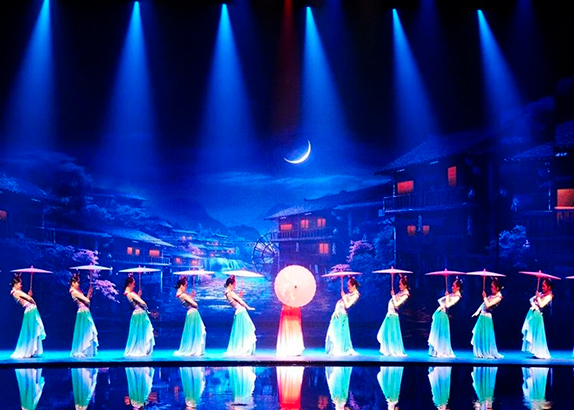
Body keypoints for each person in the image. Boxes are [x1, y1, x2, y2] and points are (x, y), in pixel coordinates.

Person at [10, 273, 46, 358]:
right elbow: (29, 299)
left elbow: (25, 299)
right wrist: (34, 302)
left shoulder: (14, 293)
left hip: (28, 310)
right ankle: (30, 350)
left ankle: (31, 350)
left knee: (30, 331)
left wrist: (28, 295)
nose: (21, 285)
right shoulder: (17, 292)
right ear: (15, 284)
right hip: (31, 310)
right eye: (20, 284)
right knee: (32, 330)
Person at [325, 277, 360, 355]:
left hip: (342, 315)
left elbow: (347, 305)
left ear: (354, 286)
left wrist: (343, 296)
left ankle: (339, 348)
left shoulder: (356, 295)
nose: (348, 287)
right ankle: (335, 348)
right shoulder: (350, 294)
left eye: (349, 286)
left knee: (339, 333)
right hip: (338, 314)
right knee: (335, 332)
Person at [428, 278, 463, 358]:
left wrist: (447, 297)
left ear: (458, 288)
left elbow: (447, 305)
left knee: (442, 334)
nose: (452, 287)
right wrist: (447, 296)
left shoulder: (457, 297)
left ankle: (442, 351)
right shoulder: (452, 295)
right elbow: (439, 300)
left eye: (454, 286)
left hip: (444, 315)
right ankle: (435, 351)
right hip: (439, 313)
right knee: (437, 333)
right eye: (452, 286)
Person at [378, 275, 410, 356]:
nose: (399, 286)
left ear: (405, 285)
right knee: (386, 333)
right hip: (390, 314)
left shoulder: (405, 295)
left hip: (393, 316)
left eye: (400, 284)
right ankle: (388, 349)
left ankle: (393, 350)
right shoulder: (400, 293)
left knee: (392, 334)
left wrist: (393, 295)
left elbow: (396, 305)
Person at [471, 278, 503, 359]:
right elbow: (483, 304)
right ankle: (480, 351)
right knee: (479, 334)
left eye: (492, 287)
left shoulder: (499, 297)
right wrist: (477, 311)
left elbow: (488, 305)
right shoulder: (492, 296)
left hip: (487, 317)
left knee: (486, 335)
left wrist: (484, 297)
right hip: (482, 316)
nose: (491, 288)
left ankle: (486, 351)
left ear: (497, 288)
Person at [224, 275, 256, 356]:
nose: (234, 286)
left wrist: (239, 296)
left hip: (238, 312)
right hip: (241, 311)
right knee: (247, 329)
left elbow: (235, 301)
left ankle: (242, 346)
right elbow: (240, 302)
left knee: (242, 330)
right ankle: (244, 348)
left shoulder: (227, 293)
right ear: (230, 284)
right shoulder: (231, 293)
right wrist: (248, 307)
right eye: (234, 284)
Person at [174, 276, 206, 356]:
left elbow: (187, 303)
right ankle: (195, 349)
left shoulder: (179, 295)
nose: (186, 287)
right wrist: (194, 301)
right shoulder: (183, 295)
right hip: (193, 313)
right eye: (185, 285)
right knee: (197, 331)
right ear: (181, 285)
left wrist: (191, 296)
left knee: (191, 331)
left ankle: (193, 348)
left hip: (190, 312)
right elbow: (195, 304)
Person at [124, 276, 155, 357]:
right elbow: (143, 303)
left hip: (136, 314)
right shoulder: (131, 294)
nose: (134, 285)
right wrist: (147, 310)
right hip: (140, 314)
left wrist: (138, 295)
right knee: (143, 331)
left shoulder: (127, 293)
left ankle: (140, 348)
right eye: (133, 284)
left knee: (137, 332)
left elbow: (136, 302)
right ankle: (142, 349)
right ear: (129, 284)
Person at [521, 278, 553, 359]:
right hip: (534, 314)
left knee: (538, 333)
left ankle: (540, 352)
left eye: (544, 286)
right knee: (533, 333)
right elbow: (531, 300)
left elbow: (542, 305)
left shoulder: (549, 296)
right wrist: (535, 303)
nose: (542, 288)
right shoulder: (541, 294)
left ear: (549, 287)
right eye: (542, 286)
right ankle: (535, 351)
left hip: (539, 316)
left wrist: (538, 298)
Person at [69, 274, 98, 358]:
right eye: (77, 282)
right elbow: (87, 301)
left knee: (86, 330)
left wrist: (89, 293)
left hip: (84, 311)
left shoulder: (77, 291)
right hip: (83, 312)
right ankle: (83, 350)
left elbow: (87, 301)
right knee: (85, 331)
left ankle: (86, 350)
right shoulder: (74, 292)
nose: (78, 284)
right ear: (73, 283)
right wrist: (88, 298)